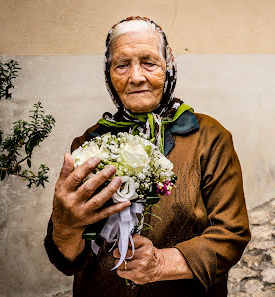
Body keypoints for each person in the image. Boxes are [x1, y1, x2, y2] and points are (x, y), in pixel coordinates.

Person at [44, 16, 251, 297]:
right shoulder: (89, 144)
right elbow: (67, 259)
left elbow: (233, 234)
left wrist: (162, 263)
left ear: (169, 67)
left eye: (149, 62)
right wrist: (66, 224)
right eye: (122, 65)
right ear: (108, 74)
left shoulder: (209, 137)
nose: (136, 76)